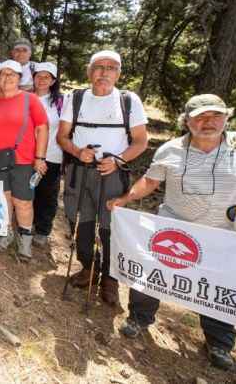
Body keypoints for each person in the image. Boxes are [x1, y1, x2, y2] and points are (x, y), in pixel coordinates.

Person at [109, 95, 236, 371]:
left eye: (215, 116)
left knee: (220, 288)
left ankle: (219, 342)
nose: (207, 122)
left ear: (226, 117)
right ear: (187, 121)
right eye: (199, 117)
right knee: (153, 273)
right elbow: (150, 181)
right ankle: (139, 318)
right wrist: (125, 199)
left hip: (226, 236)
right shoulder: (171, 150)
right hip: (174, 230)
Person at [57, 50, 148, 305]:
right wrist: (77, 151)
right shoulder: (75, 98)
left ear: (118, 73)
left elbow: (141, 141)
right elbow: (62, 136)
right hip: (79, 172)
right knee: (79, 223)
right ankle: (90, 267)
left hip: (111, 174)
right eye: (99, 67)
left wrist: (118, 159)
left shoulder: (128, 101)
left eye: (111, 67)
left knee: (110, 228)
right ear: (89, 71)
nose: (104, 72)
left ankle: (110, 278)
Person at [0, 60, 48, 261]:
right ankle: (6, 232)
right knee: (5, 199)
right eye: (3, 74)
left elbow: (42, 128)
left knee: (23, 201)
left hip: (23, 160)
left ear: (20, 78)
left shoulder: (30, 100)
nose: (7, 77)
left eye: (12, 74)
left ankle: (25, 239)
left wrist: (40, 158)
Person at [31, 62, 65, 246]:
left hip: (52, 154)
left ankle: (43, 229)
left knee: (48, 192)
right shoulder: (27, 97)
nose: (42, 80)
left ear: (53, 81)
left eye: (47, 77)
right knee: (29, 191)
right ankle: (28, 223)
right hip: (28, 154)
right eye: (39, 76)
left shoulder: (61, 101)